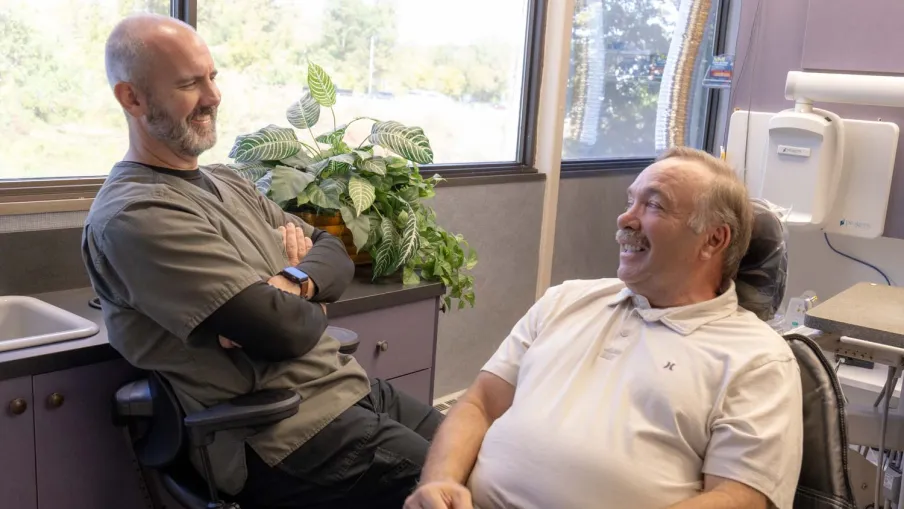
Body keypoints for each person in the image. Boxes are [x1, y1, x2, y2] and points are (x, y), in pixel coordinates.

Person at [82, 13, 442, 508]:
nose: (212, 96)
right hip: (281, 433)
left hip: (345, 389)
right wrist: (305, 299)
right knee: (464, 492)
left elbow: (333, 253)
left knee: (487, 451)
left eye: (212, 77)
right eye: (189, 83)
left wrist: (290, 284)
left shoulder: (228, 182)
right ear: (132, 98)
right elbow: (284, 331)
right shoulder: (137, 213)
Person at [405, 147, 804, 509]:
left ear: (713, 240)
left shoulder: (758, 359)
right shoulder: (567, 300)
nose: (625, 218)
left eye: (654, 205)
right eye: (631, 200)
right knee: (365, 400)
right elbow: (480, 404)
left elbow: (740, 498)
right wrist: (439, 481)